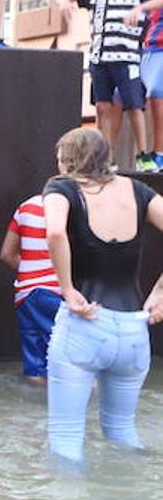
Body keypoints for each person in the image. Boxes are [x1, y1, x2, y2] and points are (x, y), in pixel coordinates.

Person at [42, 128, 159, 464]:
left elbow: (54, 232)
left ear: (68, 159)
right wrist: (161, 291)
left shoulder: (61, 187)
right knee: (123, 432)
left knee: (66, 437)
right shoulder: (138, 190)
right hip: (135, 331)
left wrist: (67, 289)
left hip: (85, 323)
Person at [78, 0, 163, 172]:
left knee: (135, 105)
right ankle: (107, 158)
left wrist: (140, 9)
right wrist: (63, 1)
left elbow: (159, 0)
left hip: (127, 60)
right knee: (103, 107)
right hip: (99, 59)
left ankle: (144, 155)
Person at [0, 192, 63, 385]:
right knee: (71, 358)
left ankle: (36, 407)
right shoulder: (72, 205)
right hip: (55, 293)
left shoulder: (26, 206)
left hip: (25, 294)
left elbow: (6, 255)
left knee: (35, 367)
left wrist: (33, 271)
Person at [141, 0, 163, 169]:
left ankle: (159, 153)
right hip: (147, 51)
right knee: (116, 98)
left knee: (157, 95)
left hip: (161, 52)